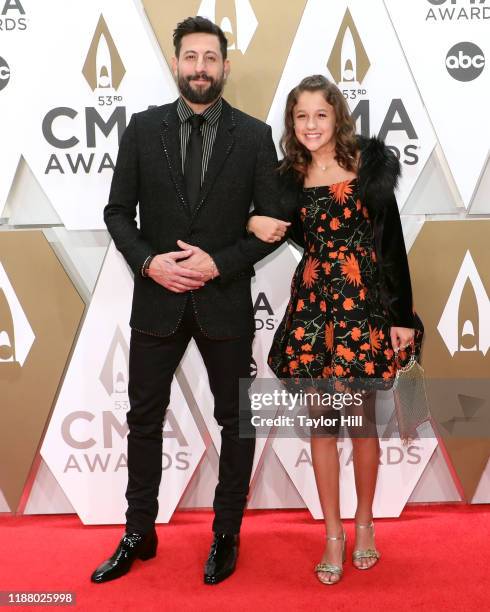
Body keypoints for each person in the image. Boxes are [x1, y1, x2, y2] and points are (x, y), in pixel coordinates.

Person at [91, 16, 289, 585]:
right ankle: (138, 532)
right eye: (190, 57)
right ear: (176, 63)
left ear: (225, 66)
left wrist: (218, 262)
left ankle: (226, 534)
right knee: (144, 419)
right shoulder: (141, 129)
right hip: (157, 300)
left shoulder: (253, 136)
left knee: (237, 420)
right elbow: (115, 213)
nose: (200, 67)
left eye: (210, 57)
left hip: (225, 302)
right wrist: (150, 263)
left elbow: (270, 224)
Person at [247, 75, 417, 585]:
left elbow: (391, 246)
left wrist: (403, 318)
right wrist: (252, 222)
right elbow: (268, 225)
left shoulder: (369, 167)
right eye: (301, 116)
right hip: (315, 307)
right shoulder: (285, 178)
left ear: (337, 117)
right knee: (323, 424)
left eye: (320, 114)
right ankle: (333, 533)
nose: (311, 125)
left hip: (364, 306)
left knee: (361, 421)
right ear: (291, 123)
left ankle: (365, 525)